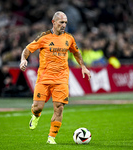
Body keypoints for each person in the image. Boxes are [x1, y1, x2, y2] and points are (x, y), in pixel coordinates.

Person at [19, 11, 91, 144]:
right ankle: (35, 115)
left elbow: (76, 52)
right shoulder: (44, 37)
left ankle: (51, 138)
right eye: (61, 22)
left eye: (65, 23)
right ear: (54, 22)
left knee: (59, 107)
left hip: (62, 79)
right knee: (37, 107)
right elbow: (27, 49)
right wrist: (23, 60)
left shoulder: (69, 38)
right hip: (44, 78)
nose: (64, 25)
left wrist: (83, 66)